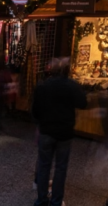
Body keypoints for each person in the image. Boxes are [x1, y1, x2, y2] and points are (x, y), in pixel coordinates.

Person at [31, 58, 87, 206]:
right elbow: (83, 103)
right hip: (64, 133)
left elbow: (35, 111)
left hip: (46, 131)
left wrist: (41, 122)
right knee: (61, 168)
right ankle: (56, 201)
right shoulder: (72, 86)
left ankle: (41, 200)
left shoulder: (42, 86)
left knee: (44, 166)